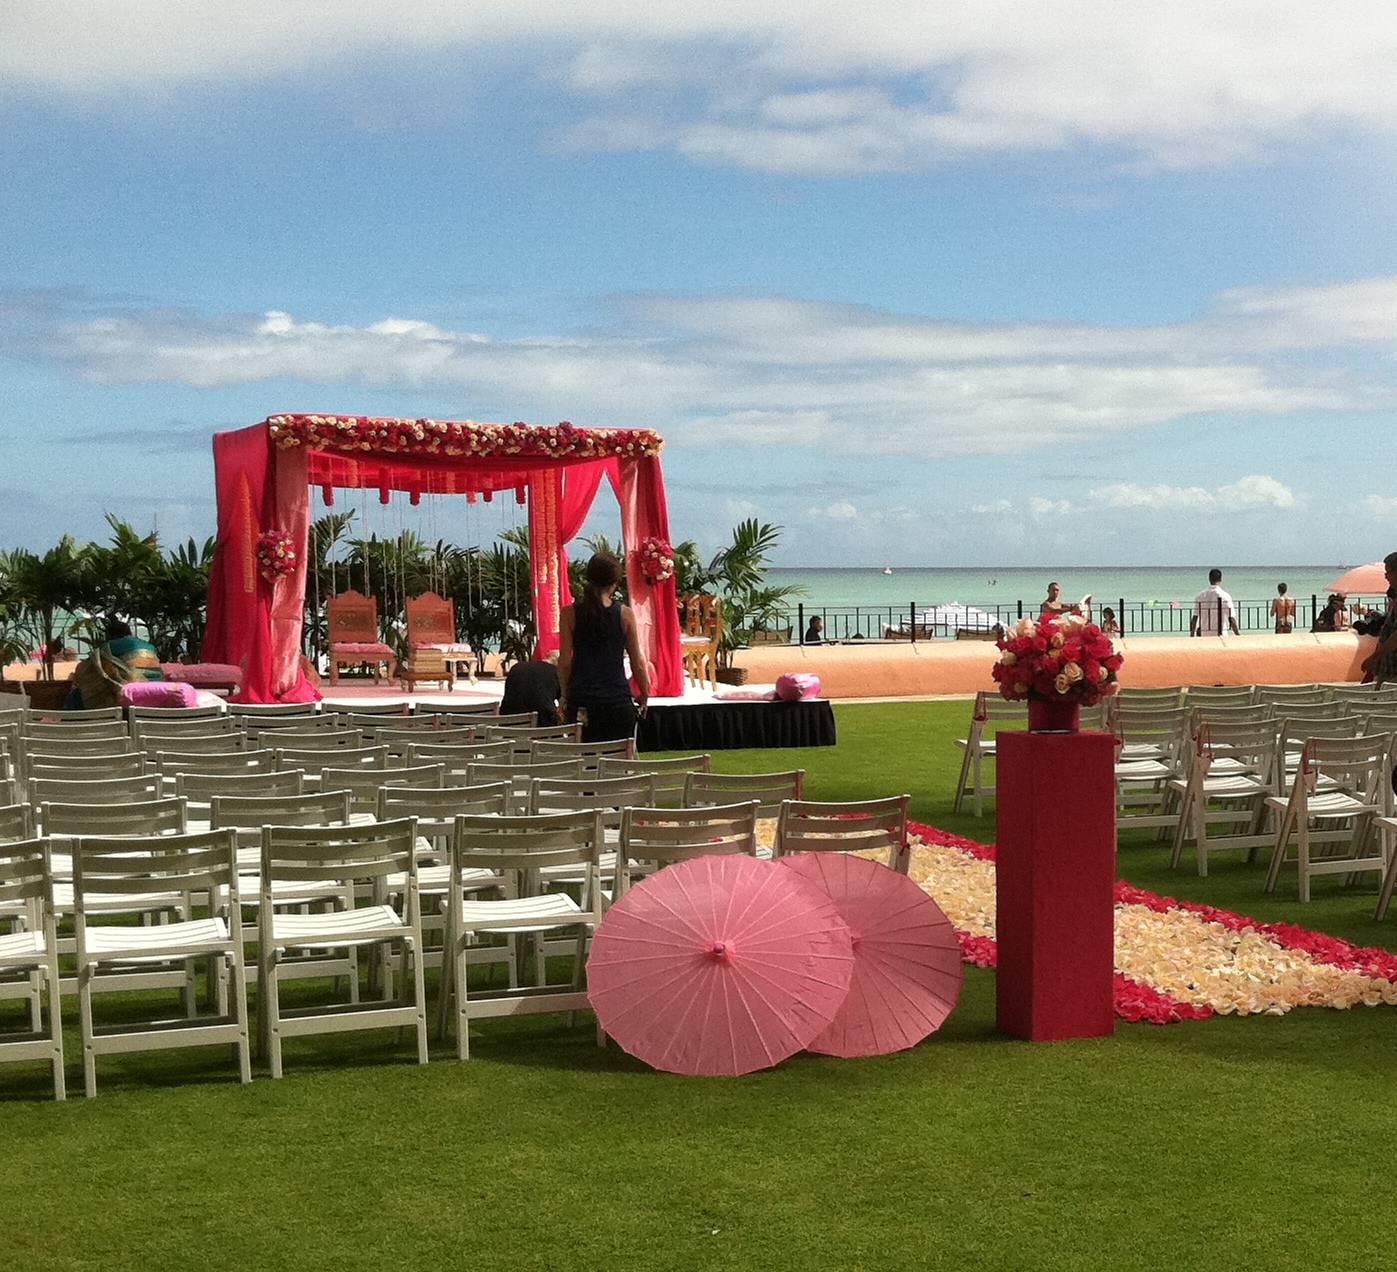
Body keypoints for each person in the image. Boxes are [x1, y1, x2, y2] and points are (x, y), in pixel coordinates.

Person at [558, 552, 649, 742]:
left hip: (582, 703)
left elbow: (565, 661)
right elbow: (637, 662)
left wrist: (565, 694)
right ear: (616, 581)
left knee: (584, 761)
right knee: (619, 763)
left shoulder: (569, 614)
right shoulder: (624, 615)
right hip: (617, 702)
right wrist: (644, 693)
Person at [64, 618, 163, 710]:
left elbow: (85, 667)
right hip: (154, 689)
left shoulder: (109, 647)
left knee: (78, 694)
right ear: (129, 632)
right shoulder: (150, 646)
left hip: (127, 693)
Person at [500, 650, 562, 726]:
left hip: (510, 722)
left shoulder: (517, 667)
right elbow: (563, 701)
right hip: (542, 724)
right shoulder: (555, 672)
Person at [1361, 553, 1397, 686]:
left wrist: (1375, 657)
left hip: (1393, 670)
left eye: (1388, 572)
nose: (1386, 576)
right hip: (1388, 669)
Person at [1190, 569, 1240, 636]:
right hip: (1221, 633)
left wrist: (1192, 635)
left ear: (1209, 579)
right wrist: (1238, 635)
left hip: (1204, 633)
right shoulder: (1225, 596)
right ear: (1220, 580)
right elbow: (1231, 619)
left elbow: (1195, 618)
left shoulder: (1200, 596)